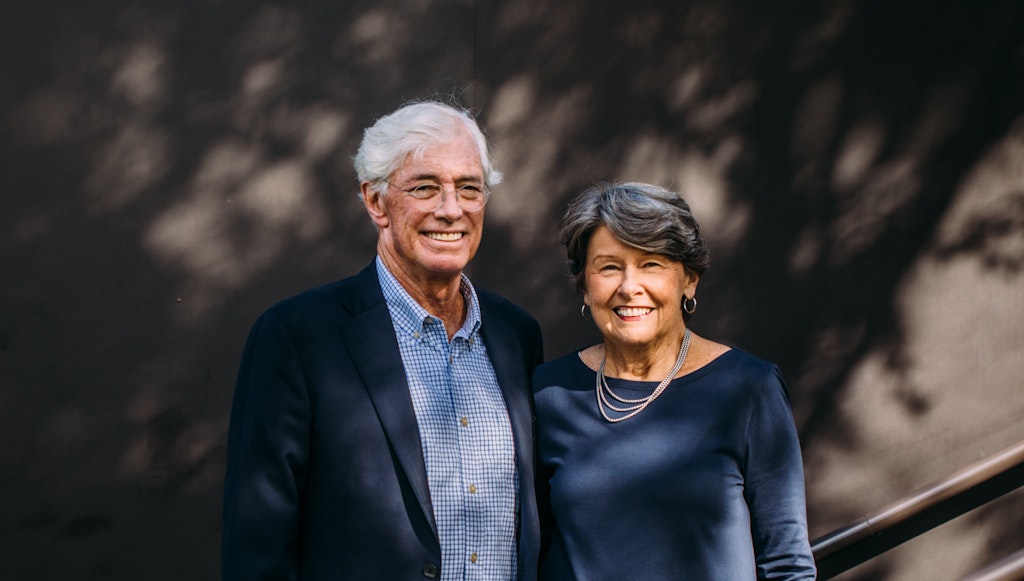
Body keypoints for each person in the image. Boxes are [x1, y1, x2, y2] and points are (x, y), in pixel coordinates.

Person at [222, 100, 544, 580]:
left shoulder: (517, 335)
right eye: (425, 187)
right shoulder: (297, 337)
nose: (451, 209)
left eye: (469, 188)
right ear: (376, 201)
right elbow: (257, 547)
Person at [533, 182, 816, 580]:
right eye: (609, 267)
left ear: (689, 279)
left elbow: (788, 565)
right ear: (584, 285)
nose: (629, 287)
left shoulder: (749, 389)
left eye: (651, 264)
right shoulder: (548, 393)